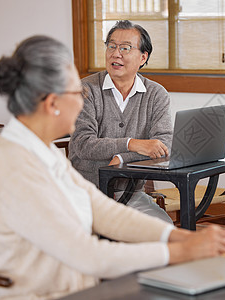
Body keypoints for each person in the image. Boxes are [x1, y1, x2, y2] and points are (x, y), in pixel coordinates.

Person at [0, 35, 225, 299]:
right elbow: (86, 254)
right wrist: (180, 251)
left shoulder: (42, 149)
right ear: (52, 103)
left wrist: (178, 237)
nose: (82, 100)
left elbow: (102, 210)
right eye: (77, 94)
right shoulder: (18, 166)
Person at [68, 20, 172, 223]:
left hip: (131, 194)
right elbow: (83, 144)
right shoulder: (85, 90)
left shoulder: (156, 94)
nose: (116, 54)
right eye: (111, 46)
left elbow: (163, 145)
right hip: (86, 194)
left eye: (125, 48)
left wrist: (123, 158)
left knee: (166, 232)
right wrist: (133, 144)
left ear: (143, 57)